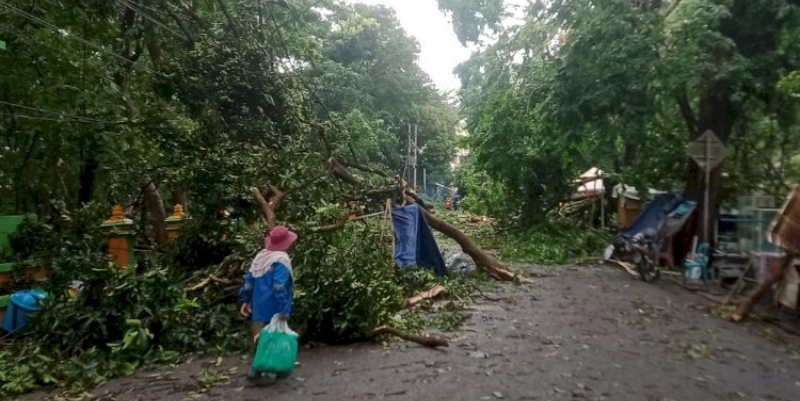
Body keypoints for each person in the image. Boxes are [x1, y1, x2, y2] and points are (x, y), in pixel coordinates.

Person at [239, 225, 297, 381]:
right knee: (274, 336)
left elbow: (249, 282)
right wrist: (283, 308)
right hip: (274, 304)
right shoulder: (281, 260)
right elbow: (279, 286)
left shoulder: (261, 257)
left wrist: (246, 299)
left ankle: (256, 369)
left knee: (259, 335)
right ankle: (271, 370)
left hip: (258, 303)